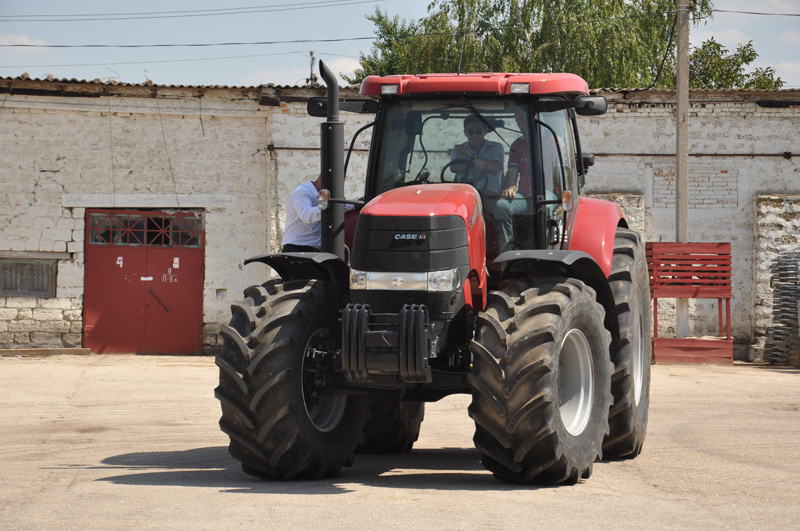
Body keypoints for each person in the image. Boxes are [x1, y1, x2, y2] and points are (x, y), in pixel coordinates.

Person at [492, 107, 533, 253]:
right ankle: (506, 251)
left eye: (523, 120)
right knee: (501, 206)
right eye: (518, 121)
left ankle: (548, 247)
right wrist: (509, 187)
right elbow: (512, 171)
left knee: (546, 209)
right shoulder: (517, 145)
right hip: (524, 195)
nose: (520, 124)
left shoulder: (550, 140)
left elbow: (558, 171)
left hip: (547, 194)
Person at [449, 115, 504, 195]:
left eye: (478, 131)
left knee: (500, 207)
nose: (474, 135)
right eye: (470, 132)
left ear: (485, 131)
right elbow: (453, 168)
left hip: (491, 196)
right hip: (465, 195)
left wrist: (471, 155)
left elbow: (495, 168)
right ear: (465, 133)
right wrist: (473, 164)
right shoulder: (458, 149)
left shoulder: (496, 147)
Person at [281, 175, 324, 252]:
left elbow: (345, 206)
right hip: (297, 250)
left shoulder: (323, 196)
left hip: (316, 251)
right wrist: (330, 206)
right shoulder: (301, 192)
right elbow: (307, 216)